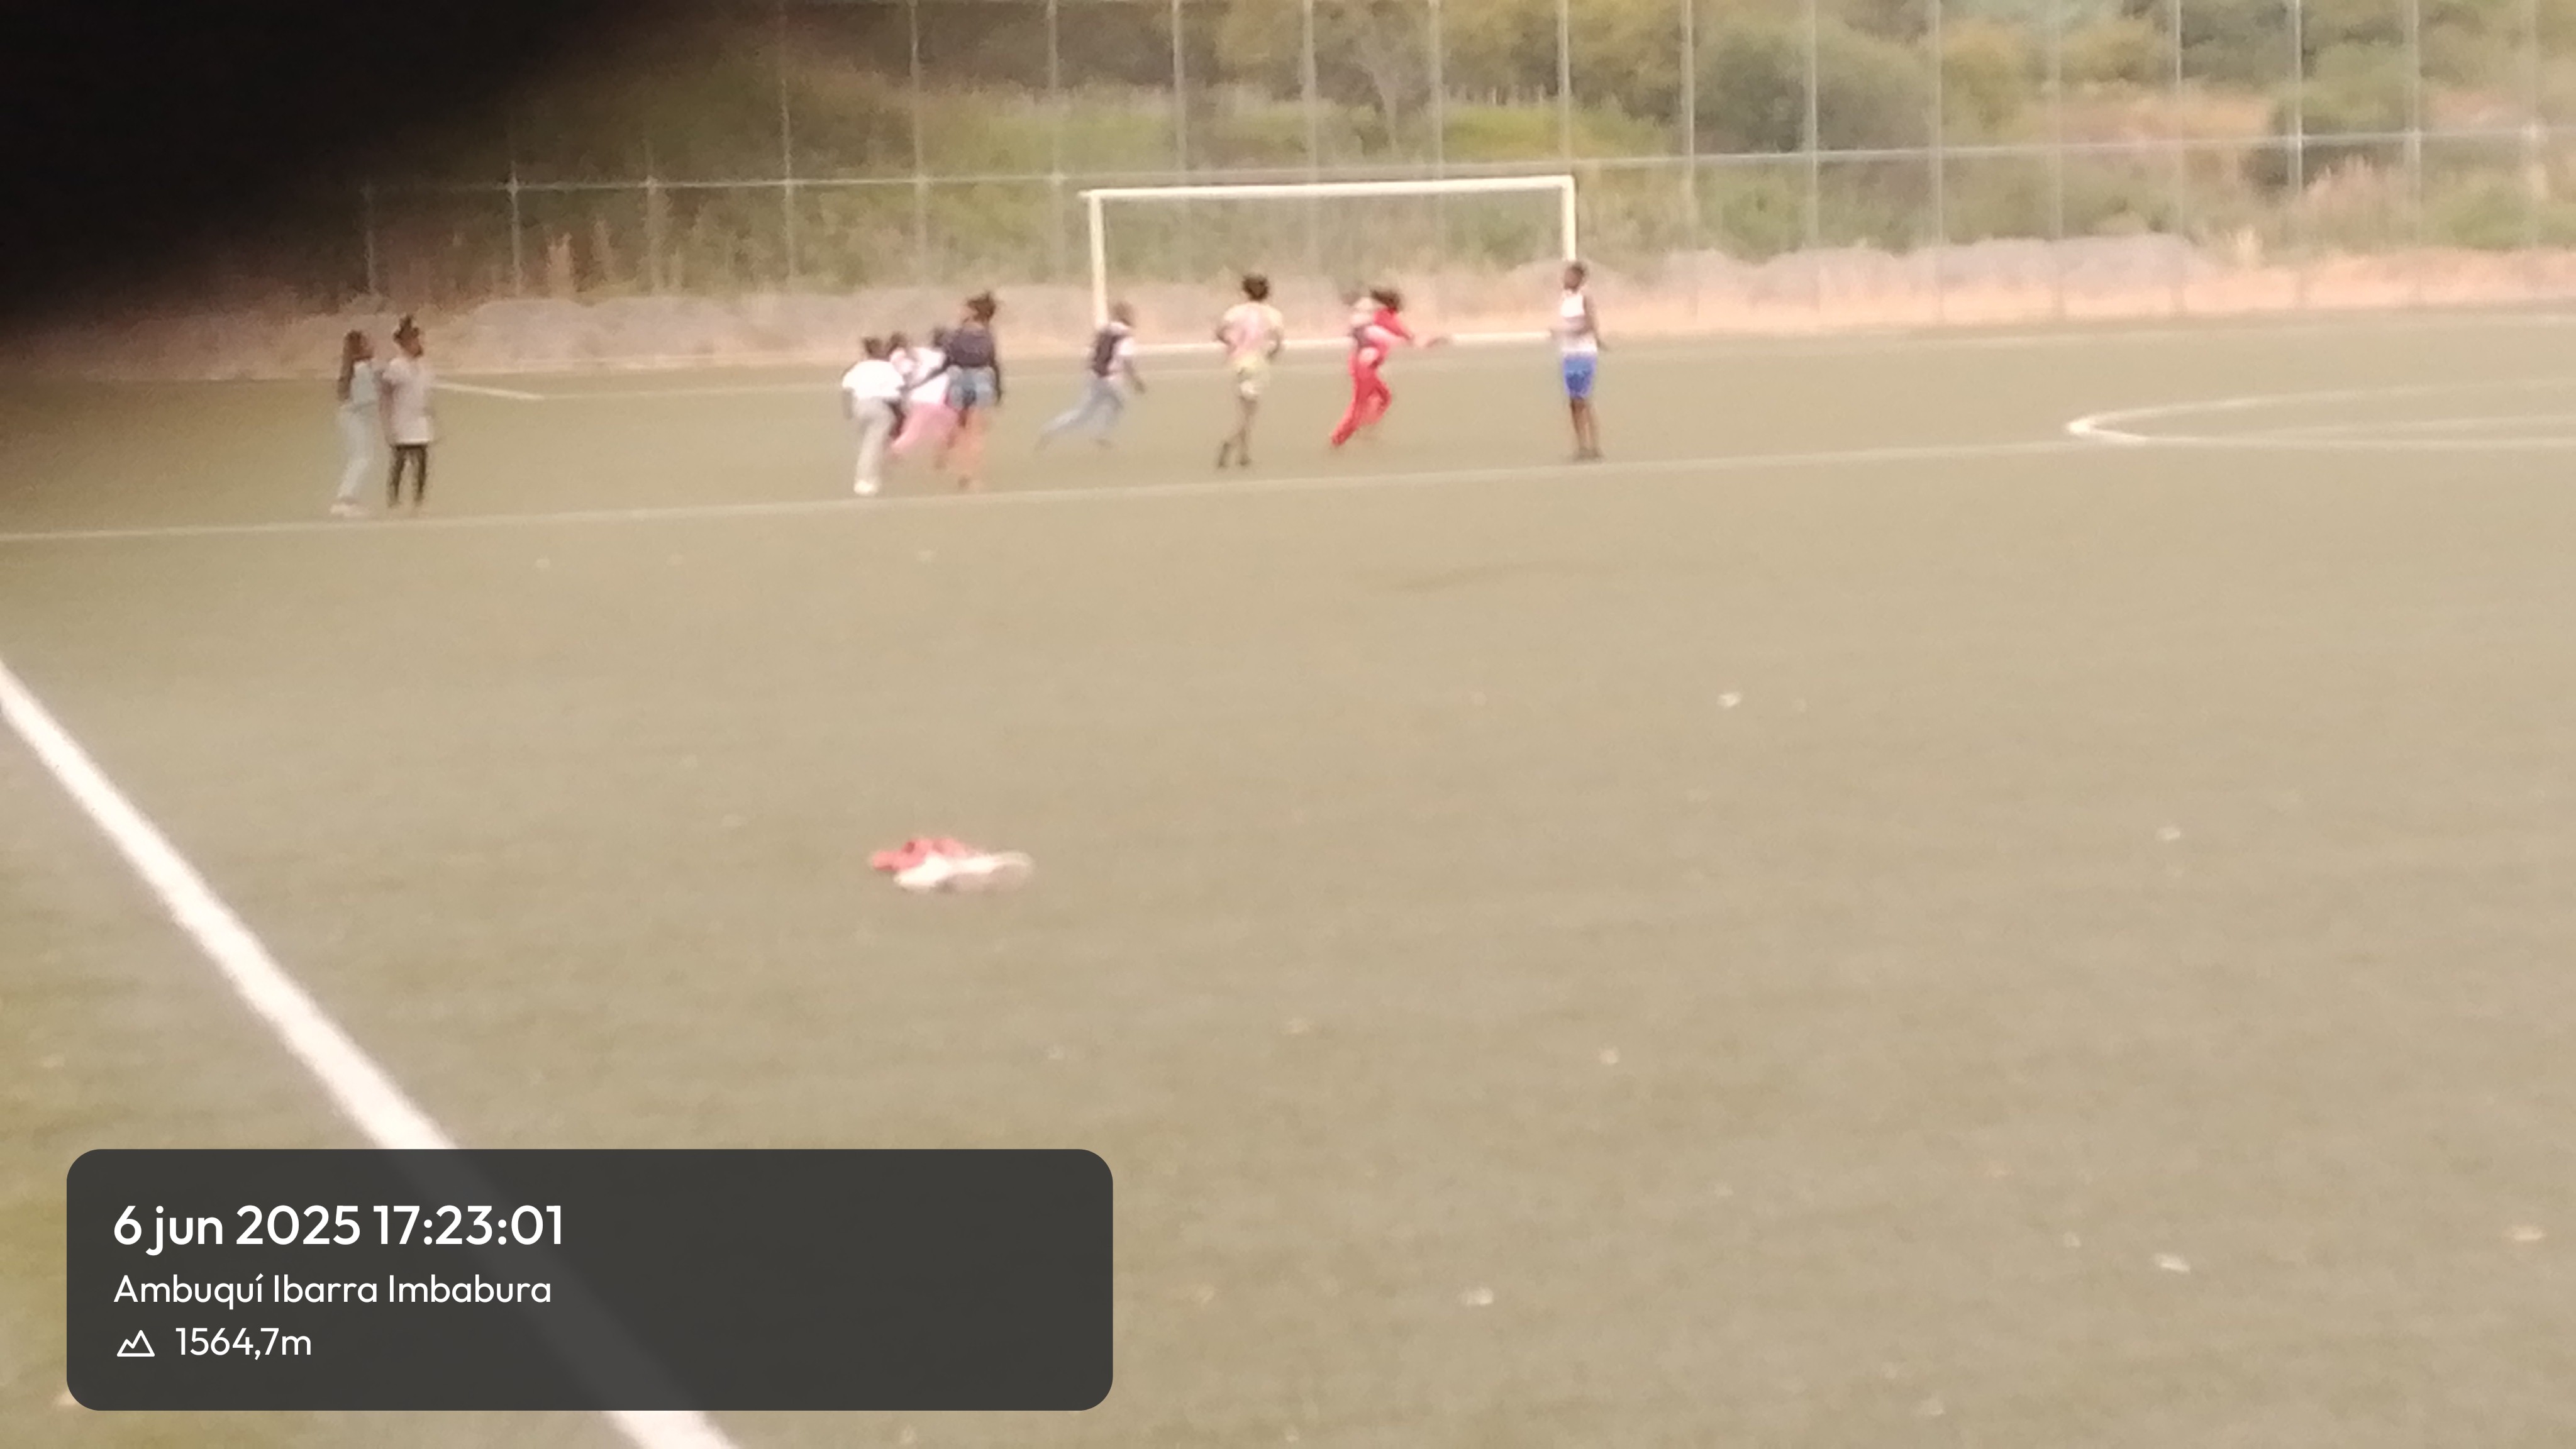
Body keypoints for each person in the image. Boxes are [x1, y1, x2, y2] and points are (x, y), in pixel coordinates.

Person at [1329, 286, 1441, 448]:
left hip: (1363, 364)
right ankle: (1339, 438)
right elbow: (1411, 340)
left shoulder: (1378, 317)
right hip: (1365, 366)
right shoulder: (1388, 320)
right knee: (1359, 405)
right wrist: (1433, 341)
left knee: (1385, 397)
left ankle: (1366, 425)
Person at [1038, 301, 1144, 448]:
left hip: (1094, 375)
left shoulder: (1104, 331)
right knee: (1120, 404)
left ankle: (1050, 430)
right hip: (1111, 379)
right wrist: (1136, 381)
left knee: (1082, 413)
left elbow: (1093, 352)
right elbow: (1126, 361)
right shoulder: (1125, 336)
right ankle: (1101, 435)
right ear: (1125, 315)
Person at [1214, 274, 1286, 469]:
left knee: (1244, 408)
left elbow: (1219, 332)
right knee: (1250, 413)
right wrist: (1272, 354)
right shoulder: (1272, 314)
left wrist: (1230, 344)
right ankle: (1231, 442)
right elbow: (1278, 341)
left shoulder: (1235, 312)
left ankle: (1244, 455)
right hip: (1257, 363)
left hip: (1238, 362)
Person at [938, 292, 1003, 491]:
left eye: (965, 308)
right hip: (981, 379)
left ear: (973, 312)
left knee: (960, 428)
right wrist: (999, 389)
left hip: (958, 379)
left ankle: (946, 456)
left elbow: (947, 361)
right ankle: (969, 475)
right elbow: (993, 362)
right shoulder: (987, 334)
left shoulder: (956, 334)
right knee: (976, 432)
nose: (961, 311)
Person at [379, 314, 435, 513]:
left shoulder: (423, 366)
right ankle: (394, 500)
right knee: (400, 461)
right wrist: (388, 418)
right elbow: (387, 391)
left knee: (421, 462)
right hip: (403, 419)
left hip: (420, 419)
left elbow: (424, 392)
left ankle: (419, 500)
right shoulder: (397, 366)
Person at [841, 336, 907, 496]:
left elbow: (847, 388)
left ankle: (873, 476)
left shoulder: (859, 367)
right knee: (872, 446)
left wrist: (848, 411)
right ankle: (864, 481)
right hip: (879, 408)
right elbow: (898, 389)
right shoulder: (887, 367)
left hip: (860, 406)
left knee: (867, 442)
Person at [1556, 262, 1603, 461]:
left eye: (1570, 276)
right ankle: (1581, 446)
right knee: (1573, 402)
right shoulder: (1564, 298)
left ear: (1579, 279)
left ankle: (1594, 445)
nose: (1566, 279)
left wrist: (1567, 333)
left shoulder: (1585, 298)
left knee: (1583, 400)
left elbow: (1589, 324)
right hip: (1568, 354)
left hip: (1584, 354)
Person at [330, 330, 379, 518]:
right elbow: (368, 399)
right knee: (361, 458)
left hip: (352, 416)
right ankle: (345, 500)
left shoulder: (358, 369)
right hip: (354, 417)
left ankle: (348, 498)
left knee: (360, 457)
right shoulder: (362, 370)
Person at [889, 328, 957, 463]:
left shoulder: (921, 353)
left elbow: (900, 356)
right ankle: (895, 451)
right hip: (935, 400)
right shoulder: (948, 359)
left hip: (918, 398)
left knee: (938, 428)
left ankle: (940, 456)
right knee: (918, 431)